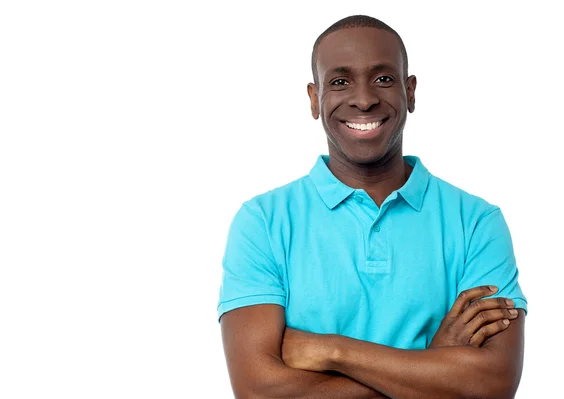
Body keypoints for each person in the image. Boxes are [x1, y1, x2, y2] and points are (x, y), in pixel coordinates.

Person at [217, 15, 527, 399]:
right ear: (315, 99)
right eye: (340, 82)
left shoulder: (477, 222)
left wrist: (331, 350)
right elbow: (258, 390)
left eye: (383, 79)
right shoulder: (263, 222)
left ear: (410, 92)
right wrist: (431, 366)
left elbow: (493, 385)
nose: (363, 99)